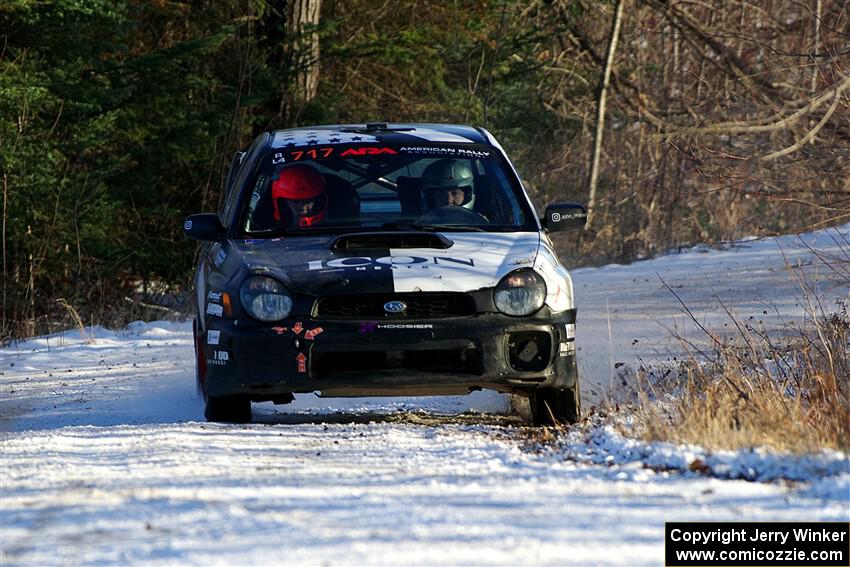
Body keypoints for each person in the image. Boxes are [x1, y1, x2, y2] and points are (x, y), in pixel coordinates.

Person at [418, 159, 487, 224]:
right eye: (441, 194)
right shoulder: (417, 227)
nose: (448, 200)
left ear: (466, 195)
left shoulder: (481, 225)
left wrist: (483, 223)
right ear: (432, 197)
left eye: (455, 193)